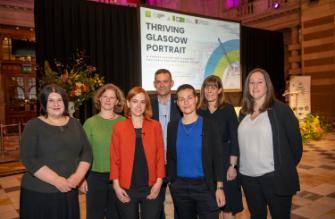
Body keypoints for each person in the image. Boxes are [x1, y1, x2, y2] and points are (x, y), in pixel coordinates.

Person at [238, 68, 303, 219]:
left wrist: (283, 166)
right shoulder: (243, 113)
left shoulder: (281, 111)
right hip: (248, 179)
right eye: (251, 83)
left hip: (275, 178)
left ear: (267, 85)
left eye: (260, 82)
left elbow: (296, 147)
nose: (255, 86)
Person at [20, 84, 92, 219]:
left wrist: (78, 176)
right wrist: (56, 180)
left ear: (64, 102)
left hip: (69, 190)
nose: (56, 104)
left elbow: (86, 151)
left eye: (59, 100)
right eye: (51, 100)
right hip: (40, 194)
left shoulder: (75, 123)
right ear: (44, 104)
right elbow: (28, 158)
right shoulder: (33, 125)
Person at [167, 84, 225, 219]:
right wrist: (172, 181)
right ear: (177, 103)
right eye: (181, 99)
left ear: (196, 99)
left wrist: (220, 188)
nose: (186, 102)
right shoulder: (172, 126)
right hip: (180, 187)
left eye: (189, 98)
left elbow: (218, 157)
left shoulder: (210, 125)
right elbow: (170, 156)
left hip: (205, 186)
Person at [110, 86, 165, 219]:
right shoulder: (119, 127)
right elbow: (114, 158)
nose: (138, 106)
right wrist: (116, 186)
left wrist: (159, 183)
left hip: (151, 186)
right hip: (126, 187)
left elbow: (160, 155)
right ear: (128, 103)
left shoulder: (155, 125)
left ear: (146, 104)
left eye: (142, 102)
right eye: (135, 101)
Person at [198, 75, 243, 219]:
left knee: (227, 208)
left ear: (220, 90)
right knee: (210, 208)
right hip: (206, 164)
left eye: (213, 87)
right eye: (207, 87)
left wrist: (233, 166)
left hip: (225, 162)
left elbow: (235, 139)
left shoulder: (228, 109)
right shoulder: (199, 112)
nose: (209, 90)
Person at [82, 83, 126, 219]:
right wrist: (81, 178)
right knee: (94, 215)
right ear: (99, 99)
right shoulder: (90, 123)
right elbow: (82, 152)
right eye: (105, 96)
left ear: (117, 101)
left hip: (119, 177)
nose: (108, 100)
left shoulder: (124, 122)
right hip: (94, 177)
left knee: (117, 215)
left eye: (112, 97)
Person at [151, 68, 180, 219]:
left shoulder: (181, 104)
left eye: (165, 81)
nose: (162, 85)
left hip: (177, 161)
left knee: (181, 204)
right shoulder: (146, 106)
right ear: (154, 84)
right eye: (159, 82)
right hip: (155, 162)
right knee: (155, 204)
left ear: (171, 83)